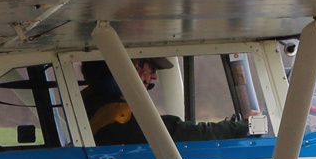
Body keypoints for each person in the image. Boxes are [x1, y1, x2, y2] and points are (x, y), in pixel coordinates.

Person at [80, 59, 251, 145]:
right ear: (129, 67)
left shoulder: (91, 106)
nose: (153, 77)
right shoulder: (118, 116)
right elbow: (181, 133)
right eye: (151, 68)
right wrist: (244, 127)